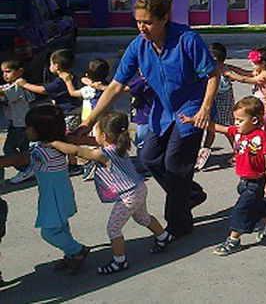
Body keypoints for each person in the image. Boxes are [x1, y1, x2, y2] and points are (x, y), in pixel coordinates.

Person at [80, 0, 220, 242]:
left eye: (147, 22)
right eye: (138, 22)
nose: (142, 27)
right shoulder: (139, 45)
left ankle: (178, 224)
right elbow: (115, 86)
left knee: (176, 165)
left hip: (191, 109)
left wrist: (205, 109)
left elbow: (212, 75)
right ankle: (189, 193)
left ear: (164, 19)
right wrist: (88, 121)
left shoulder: (187, 39)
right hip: (162, 110)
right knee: (150, 158)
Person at [51, 111, 168, 274]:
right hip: (139, 188)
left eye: (96, 133)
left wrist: (55, 143)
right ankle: (163, 237)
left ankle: (120, 262)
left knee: (113, 229)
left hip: (128, 196)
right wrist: (75, 139)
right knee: (142, 217)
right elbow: (92, 142)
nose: (94, 137)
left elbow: (79, 152)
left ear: (105, 136)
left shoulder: (103, 153)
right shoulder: (118, 145)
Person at [0, 105, 89, 274]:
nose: (26, 130)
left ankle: (77, 250)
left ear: (40, 131)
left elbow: (18, 159)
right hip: (61, 193)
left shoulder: (43, 151)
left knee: (49, 233)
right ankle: (71, 254)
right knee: (61, 227)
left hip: (52, 197)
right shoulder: (55, 145)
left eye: (29, 128)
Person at [186, 97, 266, 255]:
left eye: (240, 120)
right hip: (244, 181)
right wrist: (196, 122)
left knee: (240, 210)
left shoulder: (263, 137)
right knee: (257, 205)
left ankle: (233, 240)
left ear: (254, 120)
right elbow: (218, 128)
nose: (236, 123)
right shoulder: (237, 132)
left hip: (256, 182)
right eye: (235, 119)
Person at [17, 49, 83, 173]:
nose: (49, 66)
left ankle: (73, 165)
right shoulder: (69, 76)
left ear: (56, 66)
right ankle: (72, 163)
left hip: (69, 112)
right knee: (68, 137)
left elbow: (43, 90)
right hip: (72, 110)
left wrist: (24, 84)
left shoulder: (60, 81)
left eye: (51, 63)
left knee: (68, 138)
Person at [196, 42, 235, 170]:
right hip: (212, 105)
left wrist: (254, 77)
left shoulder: (225, 71)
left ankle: (239, 151)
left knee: (228, 130)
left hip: (224, 106)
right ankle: (204, 150)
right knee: (210, 129)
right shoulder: (208, 70)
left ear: (215, 60)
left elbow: (241, 76)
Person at [225, 46, 266, 136]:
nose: (252, 65)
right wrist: (231, 67)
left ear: (263, 63)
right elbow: (244, 73)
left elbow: (244, 79)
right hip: (264, 106)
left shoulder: (264, 75)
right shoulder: (258, 71)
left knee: (258, 127)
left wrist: (229, 74)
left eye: (254, 63)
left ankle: (261, 142)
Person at [1, 59, 34, 182]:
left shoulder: (17, 86)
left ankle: (26, 169)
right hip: (22, 123)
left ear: (20, 71)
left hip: (19, 125)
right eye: (3, 72)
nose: (5, 75)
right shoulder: (14, 85)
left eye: (8, 71)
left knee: (9, 149)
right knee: (25, 149)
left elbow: (3, 94)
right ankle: (31, 168)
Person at [128, 72, 154, 173]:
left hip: (145, 116)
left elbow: (131, 89)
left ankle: (143, 165)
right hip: (154, 114)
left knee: (141, 142)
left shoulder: (143, 80)